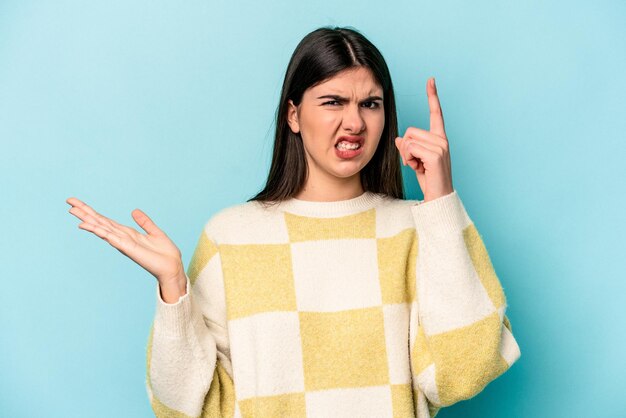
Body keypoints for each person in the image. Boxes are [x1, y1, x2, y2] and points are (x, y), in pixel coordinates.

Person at [66, 26, 521, 418]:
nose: (354, 122)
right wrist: (173, 289)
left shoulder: (416, 228)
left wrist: (440, 200)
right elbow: (185, 404)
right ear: (293, 115)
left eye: (371, 104)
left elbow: (462, 372)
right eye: (333, 101)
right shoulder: (231, 236)